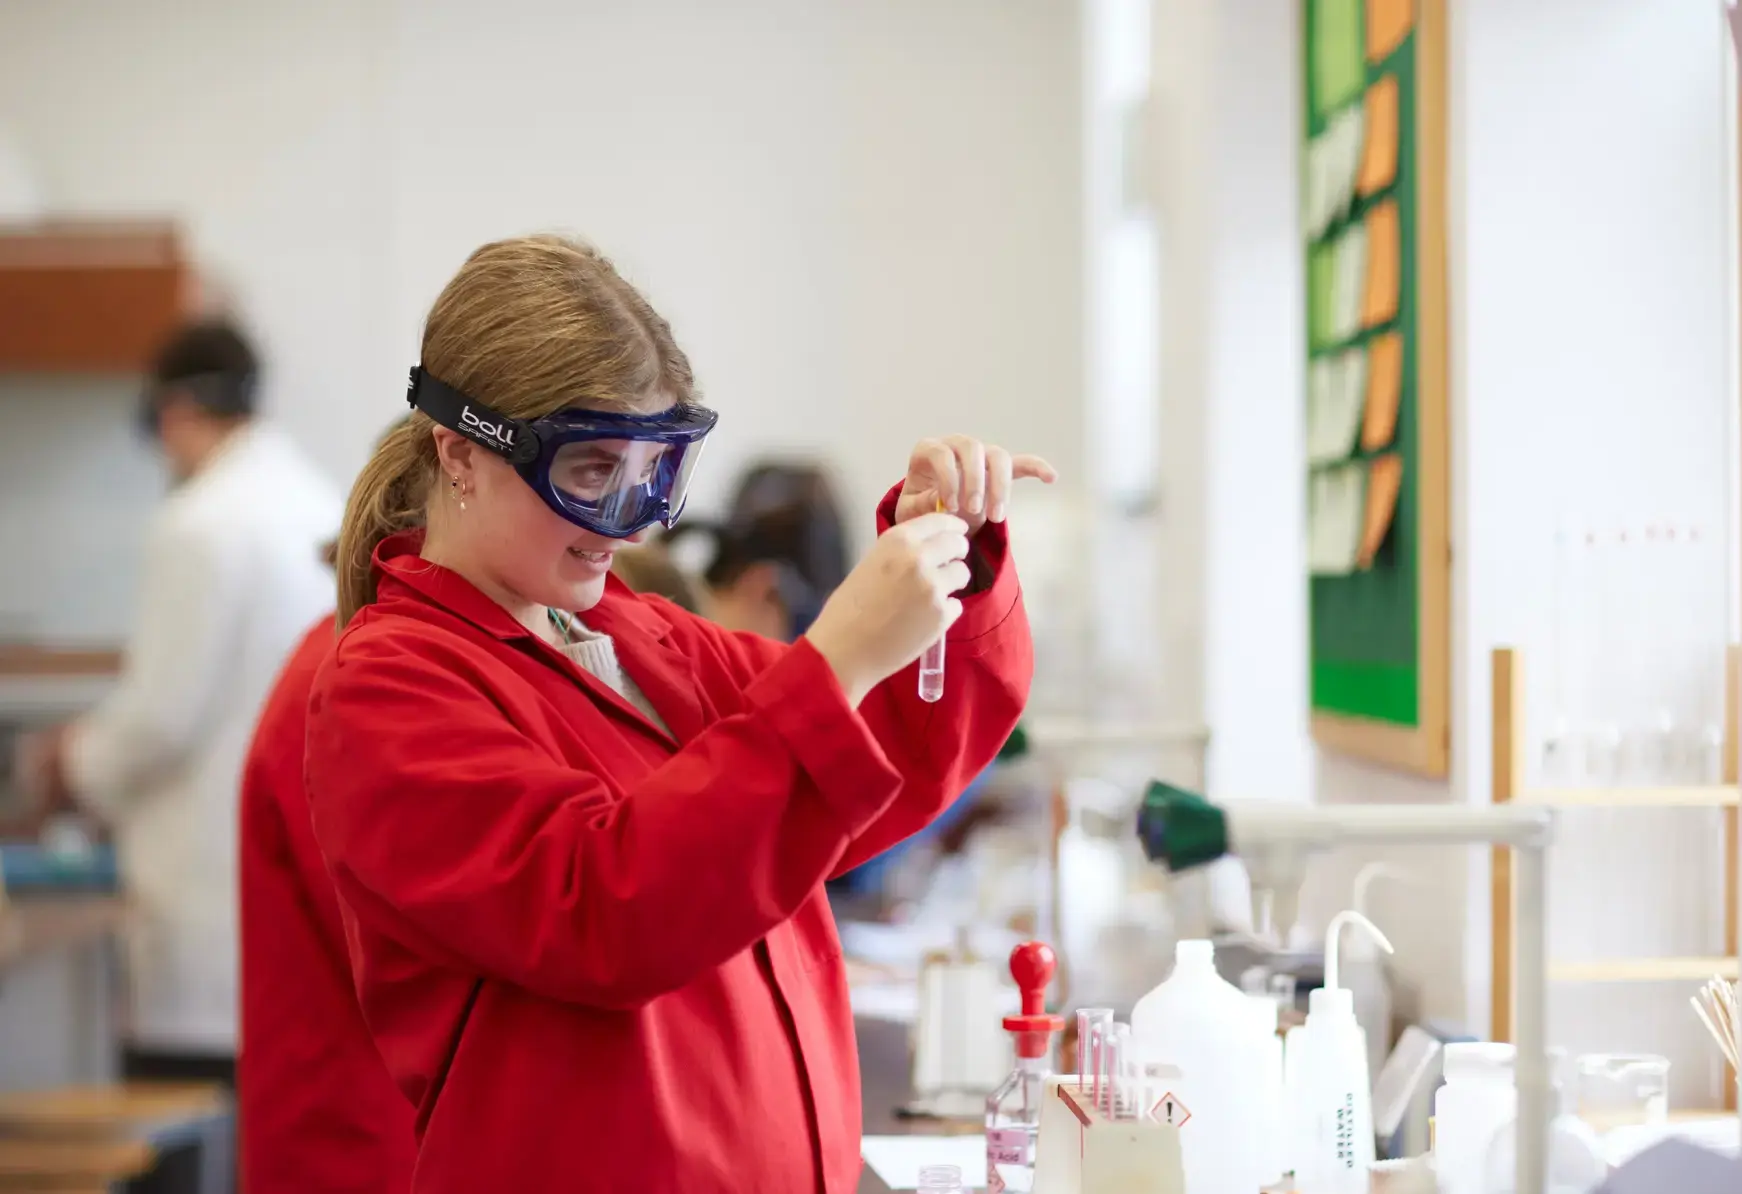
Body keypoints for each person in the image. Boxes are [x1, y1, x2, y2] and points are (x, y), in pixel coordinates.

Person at [304, 233, 1055, 1194]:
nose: (634, 518)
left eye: (653, 468)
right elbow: (609, 907)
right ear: (461, 451)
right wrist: (836, 658)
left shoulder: (645, 641)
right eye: (590, 471)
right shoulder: (390, 687)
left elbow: (888, 765)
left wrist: (951, 561)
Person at [17, 320, 340, 1114]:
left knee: (190, 1141)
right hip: (299, 895)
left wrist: (63, 761)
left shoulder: (199, 524)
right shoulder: (320, 503)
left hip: (205, 912)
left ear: (173, 413)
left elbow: (159, 720)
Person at [237, 546, 416, 1189]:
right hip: (354, 1128)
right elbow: (396, 938)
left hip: (371, 1116)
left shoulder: (361, 653)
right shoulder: (354, 673)